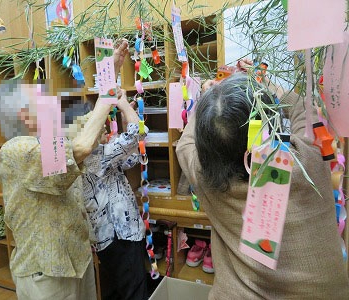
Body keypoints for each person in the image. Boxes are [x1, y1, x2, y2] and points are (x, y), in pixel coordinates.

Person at [176, 73, 349, 299]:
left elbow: (184, 145)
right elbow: (303, 110)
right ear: (269, 124)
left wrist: (206, 100)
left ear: (206, 146)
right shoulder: (311, 159)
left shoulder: (206, 180)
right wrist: (266, 83)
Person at [0, 40, 130, 300]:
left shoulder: (53, 138)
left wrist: (111, 72)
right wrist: (107, 97)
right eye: (42, 100)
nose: (53, 102)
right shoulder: (16, 151)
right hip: (47, 272)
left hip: (77, 260)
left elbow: (88, 126)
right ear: (24, 115)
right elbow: (82, 147)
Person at [65, 89, 148, 300]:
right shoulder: (96, 157)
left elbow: (133, 158)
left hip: (107, 239)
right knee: (134, 292)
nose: (103, 126)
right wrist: (123, 104)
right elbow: (140, 132)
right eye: (98, 123)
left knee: (119, 289)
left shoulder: (93, 157)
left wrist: (123, 118)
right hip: (121, 236)